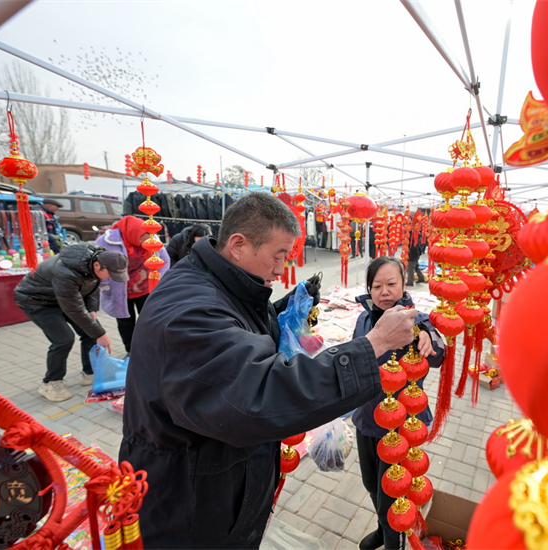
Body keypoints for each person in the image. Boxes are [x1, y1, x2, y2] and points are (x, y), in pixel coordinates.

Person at [118, 192, 419, 549]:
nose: (280, 268)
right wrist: (373, 346)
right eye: (278, 256)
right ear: (239, 245)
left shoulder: (217, 284)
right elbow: (260, 392)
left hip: (213, 482)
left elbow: (238, 332)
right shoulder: (189, 313)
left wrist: (284, 308)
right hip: (189, 506)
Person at [352, 256, 445, 550]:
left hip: (401, 427)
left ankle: (394, 543)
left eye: (391, 283)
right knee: (372, 485)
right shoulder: (364, 318)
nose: (384, 291)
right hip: (367, 418)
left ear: (404, 284)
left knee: (394, 496)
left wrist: (430, 337)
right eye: (377, 285)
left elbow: (439, 353)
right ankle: (382, 530)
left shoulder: (416, 321)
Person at [13, 244, 128, 402]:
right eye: (110, 273)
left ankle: (89, 372)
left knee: (90, 331)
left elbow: (92, 286)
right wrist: (100, 333)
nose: (110, 278)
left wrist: (92, 309)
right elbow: (73, 309)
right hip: (37, 301)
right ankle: (50, 383)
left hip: (63, 298)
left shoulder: (95, 262)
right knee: (63, 339)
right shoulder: (66, 272)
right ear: (97, 265)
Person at [94, 216, 170, 354]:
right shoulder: (107, 242)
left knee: (150, 320)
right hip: (120, 291)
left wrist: (158, 279)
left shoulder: (152, 239)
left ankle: (149, 349)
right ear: (135, 233)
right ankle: (131, 351)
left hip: (146, 289)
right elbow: (98, 266)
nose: (145, 242)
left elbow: (164, 260)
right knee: (125, 323)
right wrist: (104, 284)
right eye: (143, 238)